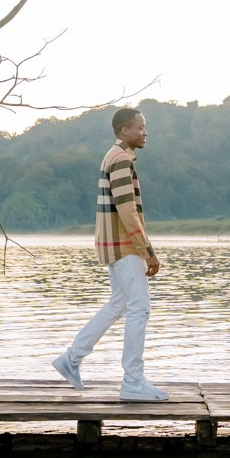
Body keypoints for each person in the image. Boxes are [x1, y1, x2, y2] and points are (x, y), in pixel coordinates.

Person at [53, 107, 167, 401]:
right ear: (123, 131)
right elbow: (127, 211)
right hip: (125, 246)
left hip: (115, 245)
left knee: (119, 304)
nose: (145, 132)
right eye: (140, 127)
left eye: (145, 126)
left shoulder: (116, 157)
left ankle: (72, 358)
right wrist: (148, 252)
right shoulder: (119, 160)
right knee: (139, 308)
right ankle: (133, 381)